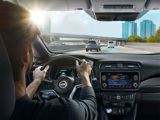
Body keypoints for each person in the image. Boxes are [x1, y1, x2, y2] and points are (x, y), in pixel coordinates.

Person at [0, 1, 97, 120]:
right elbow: (91, 108)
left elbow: (20, 104)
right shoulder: (65, 112)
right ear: (25, 55)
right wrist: (84, 75)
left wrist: (37, 81)